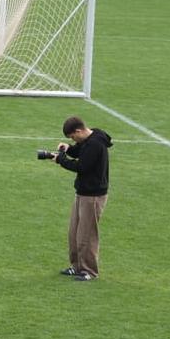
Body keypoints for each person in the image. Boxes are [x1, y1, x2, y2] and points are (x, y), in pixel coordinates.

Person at [50, 116, 113, 282]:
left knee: (87, 234)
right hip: (82, 192)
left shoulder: (95, 144)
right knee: (74, 233)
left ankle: (89, 271)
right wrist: (69, 149)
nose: (73, 140)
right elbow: (80, 151)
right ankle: (76, 266)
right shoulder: (90, 139)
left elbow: (81, 166)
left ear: (78, 131)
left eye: (72, 137)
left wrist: (61, 160)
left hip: (93, 196)